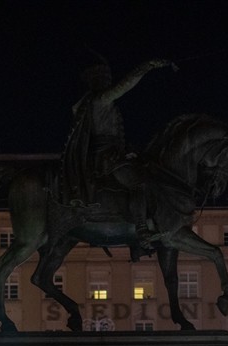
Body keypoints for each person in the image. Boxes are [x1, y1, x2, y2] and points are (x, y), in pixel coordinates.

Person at [61, 57, 174, 246]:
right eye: (105, 79)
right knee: (138, 183)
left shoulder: (90, 102)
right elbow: (125, 85)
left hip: (112, 153)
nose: (109, 83)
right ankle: (141, 228)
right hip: (105, 157)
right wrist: (147, 65)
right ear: (98, 81)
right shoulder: (100, 100)